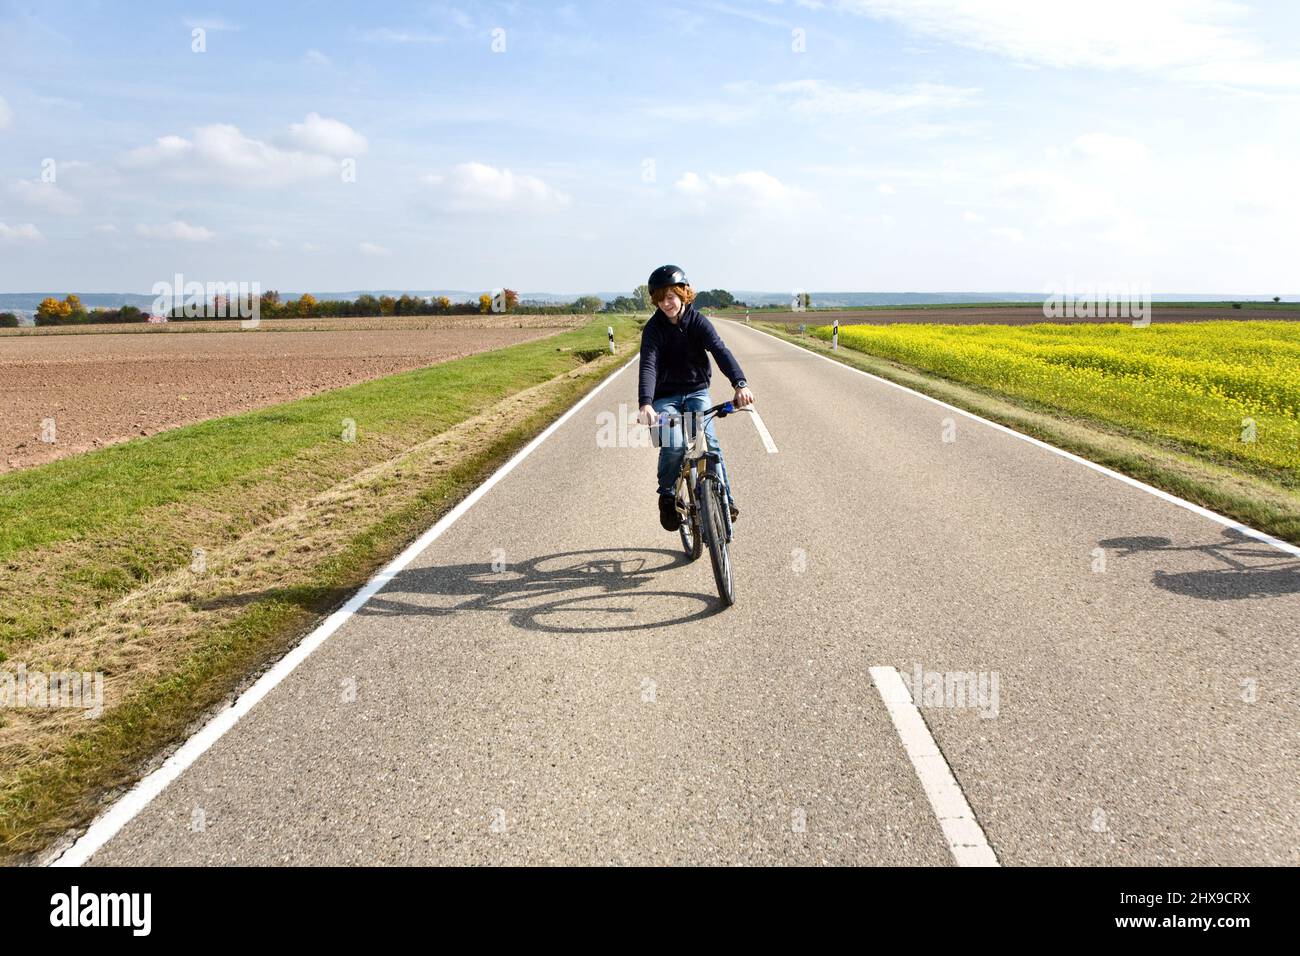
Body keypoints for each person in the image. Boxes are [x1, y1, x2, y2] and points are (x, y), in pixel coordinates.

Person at [636, 265, 754, 532]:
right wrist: (645, 403)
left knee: (709, 443)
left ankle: (725, 501)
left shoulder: (698, 321)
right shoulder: (654, 329)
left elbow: (719, 350)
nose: (666, 303)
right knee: (675, 444)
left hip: (697, 390)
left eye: (671, 296)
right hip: (664, 397)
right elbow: (648, 366)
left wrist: (740, 384)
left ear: (684, 294)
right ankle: (667, 495)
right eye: (660, 298)